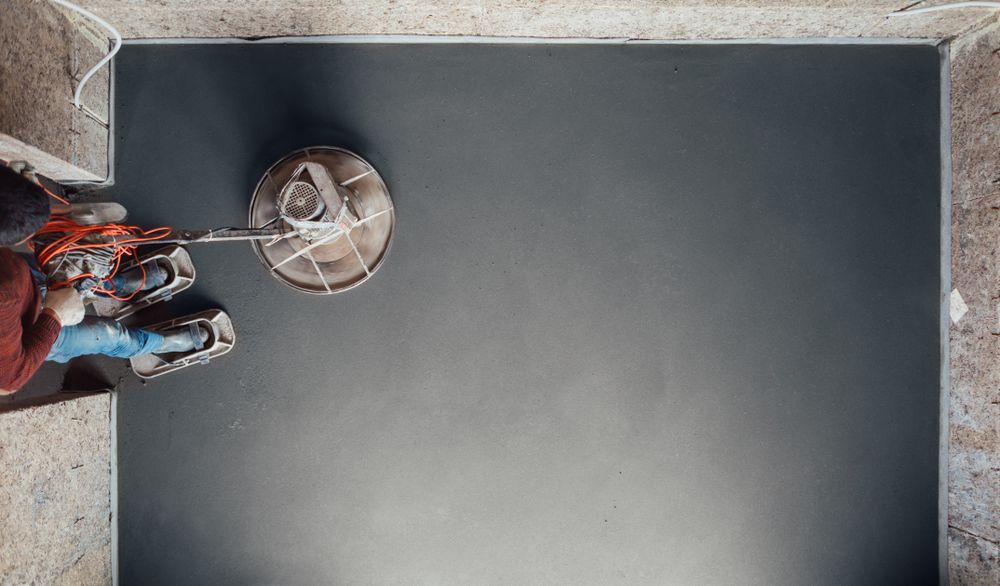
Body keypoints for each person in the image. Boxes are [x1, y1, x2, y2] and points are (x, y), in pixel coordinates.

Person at [0, 163, 205, 394]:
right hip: (31, 329)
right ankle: (162, 344)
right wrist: (54, 316)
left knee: (82, 278)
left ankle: (119, 286)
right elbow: (8, 382)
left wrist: (27, 199)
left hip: (20, 277)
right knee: (110, 335)